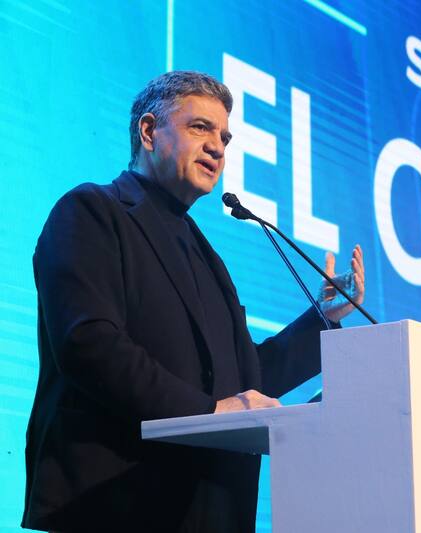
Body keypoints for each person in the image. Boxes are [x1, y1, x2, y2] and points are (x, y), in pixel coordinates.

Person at [21, 71, 365, 532]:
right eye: (200, 127)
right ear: (149, 132)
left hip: (211, 510)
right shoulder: (92, 211)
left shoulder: (208, 257)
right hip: (116, 505)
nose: (217, 148)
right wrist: (207, 412)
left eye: (224, 137)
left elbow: (243, 382)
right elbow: (88, 344)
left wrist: (322, 319)